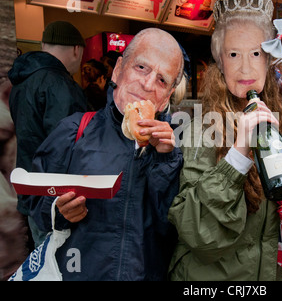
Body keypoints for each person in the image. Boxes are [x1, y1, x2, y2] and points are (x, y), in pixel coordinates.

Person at [168, 0, 282, 281]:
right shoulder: (204, 128)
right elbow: (198, 234)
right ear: (220, 62)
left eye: (256, 53)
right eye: (234, 54)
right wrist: (238, 154)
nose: (246, 66)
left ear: (269, 60)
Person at [26, 28, 187, 280]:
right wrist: (58, 210)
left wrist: (166, 160)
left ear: (166, 98)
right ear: (118, 69)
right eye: (142, 68)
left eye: (162, 80)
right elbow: (33, 204)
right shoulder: (74, 131)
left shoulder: (175, 149)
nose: (147, 84)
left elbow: (175, 229)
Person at [8, 20, 87, 249]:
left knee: (42, 264)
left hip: (31, 191)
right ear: (76, 49)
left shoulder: (21, 82)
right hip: (56, 200)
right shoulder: (60, 84)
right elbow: (69, 148)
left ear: (43, 45)